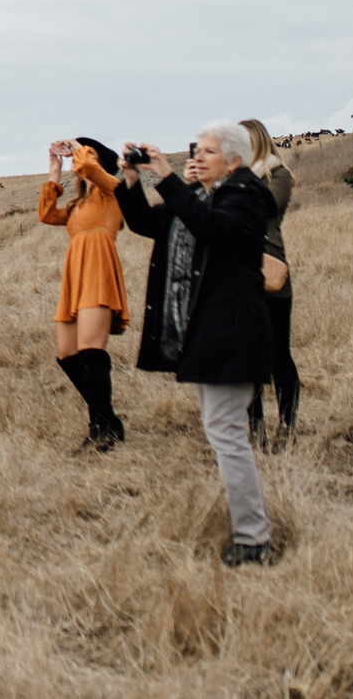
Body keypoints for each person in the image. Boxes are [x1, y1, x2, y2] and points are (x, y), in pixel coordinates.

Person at [119, 124, 278, 566]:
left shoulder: (246, 194)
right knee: (221, 429)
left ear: (234, 161)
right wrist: (133, 181)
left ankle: (254, 538)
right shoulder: (203, 196)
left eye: (209, 152)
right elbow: (146, 223)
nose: (199, 157)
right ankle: (251, 530)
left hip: (233, 330)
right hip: (208, 331)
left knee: (227, 433)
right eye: (198, 150)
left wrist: (170, 178)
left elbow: (213, 229)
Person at [40, 136, 130, 451]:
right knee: (67, 353)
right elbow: (46, 214)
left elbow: (91, 169)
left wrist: (80, 147)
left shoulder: (111, 189)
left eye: (87, 153)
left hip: (99, 268)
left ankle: (101, 427)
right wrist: (55, 171)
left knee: (91, 349)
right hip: (75, 275)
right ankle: (108, 420)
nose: (80, 159)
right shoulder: (80, 203)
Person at [241, 120, 298, 447]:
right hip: (238, 270)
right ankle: (256, 428)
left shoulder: (279, 174)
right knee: (249, 354)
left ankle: (287, 428)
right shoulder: (230, 177)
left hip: (269, 267)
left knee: (278, 354)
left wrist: (238, 177)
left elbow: (267, 205)